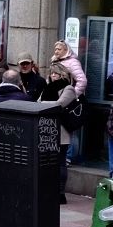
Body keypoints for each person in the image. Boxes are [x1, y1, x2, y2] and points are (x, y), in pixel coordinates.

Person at [37, 65, 80, 205]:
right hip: (45, 130)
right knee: (47, 162)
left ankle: (60, 192)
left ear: (63, 75)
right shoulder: (48, 87)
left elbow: (59, 104)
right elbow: (37, 102)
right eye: (51, 73)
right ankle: (48, 189)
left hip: (61, 130)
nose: (53, 76)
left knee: (60, 162)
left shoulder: (68, 88)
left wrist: (42, 104)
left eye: (56, 73)